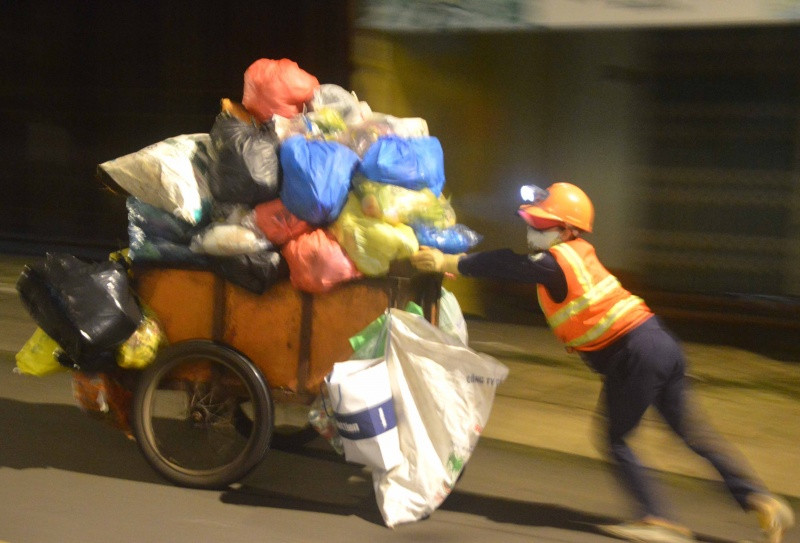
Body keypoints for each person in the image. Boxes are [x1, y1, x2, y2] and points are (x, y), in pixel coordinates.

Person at [410, 182, 795, 543]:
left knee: (615, 438)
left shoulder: (556, 261)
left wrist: (450, 259)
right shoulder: (577, 255)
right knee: (693, 435)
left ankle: (658, 520)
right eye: (531, 220)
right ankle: (760, 499)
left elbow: (509, 264)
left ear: (564, 229)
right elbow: (522, 268)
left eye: (539, 223)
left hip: (633, 353)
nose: (531, 228)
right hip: (660, 343)